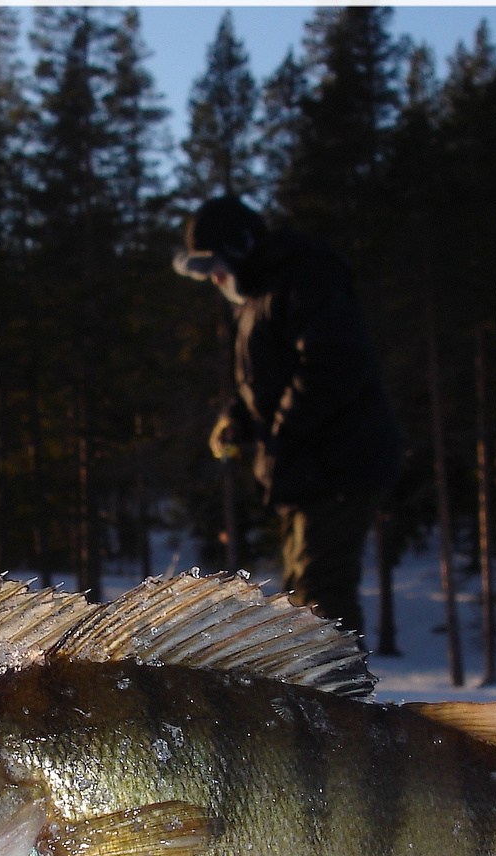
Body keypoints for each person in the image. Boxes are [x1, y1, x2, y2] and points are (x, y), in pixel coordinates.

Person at [174, 195, 401, 645]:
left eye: (216, 266)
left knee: (321, 596)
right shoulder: (259, 295)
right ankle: (318, 705)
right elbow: (266, 380)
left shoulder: (305, 277)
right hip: (307, 469)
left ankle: (340, 708)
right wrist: (237, 418)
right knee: (304, 595)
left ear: (241, 249)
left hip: (337, 463)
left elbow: (333, 366)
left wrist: (281, 435)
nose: (216, 280)